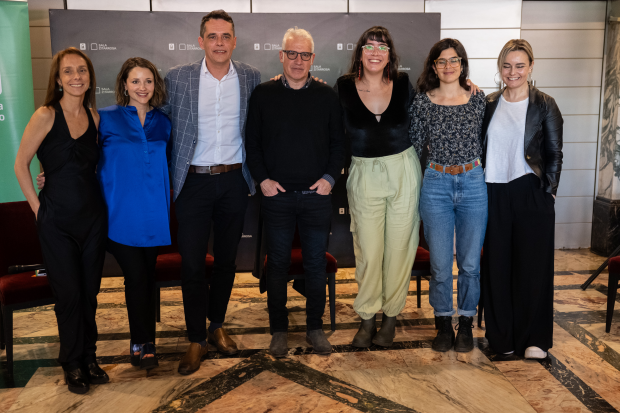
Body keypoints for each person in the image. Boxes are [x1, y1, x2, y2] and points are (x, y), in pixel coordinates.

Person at [161, 10, 261, 376]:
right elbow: (157, 126)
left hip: (235, 181)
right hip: (192, 183)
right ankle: (194, 338)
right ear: (201, 41)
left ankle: (216, 324)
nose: (219, 43)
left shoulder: (251, 77)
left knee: (227, 261)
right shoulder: (178, 78)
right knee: (191, 264)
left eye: (226, 36)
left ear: (234, 41)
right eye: (212, 36)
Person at [245, 27, 345, 358]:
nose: (298, 61)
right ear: (281, 55)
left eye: (304, 55)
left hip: (317, 197)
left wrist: (330, 178)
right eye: (292, 53)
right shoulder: (262, 94)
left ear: (313, 58)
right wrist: (262, 180)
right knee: (277, 265)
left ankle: (315, 328)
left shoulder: (327, 96)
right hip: (277, 196)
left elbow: (338, 144)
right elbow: (252, 144)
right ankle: (278, 331)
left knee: (315, 263)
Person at [14, 47, 109, 394]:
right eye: (68, 72)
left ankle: (89, 357)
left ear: (89, 77)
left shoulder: (95, 117)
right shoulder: (44, 115)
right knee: (68, 295)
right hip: (56, 221)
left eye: (81, 71)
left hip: (93, 218)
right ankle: (71, 362)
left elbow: (89, 168)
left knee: (90, 293)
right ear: (57, 79)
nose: (76, 77)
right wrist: (39, 209)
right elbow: (21, 163)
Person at [335, 26, 422, 348]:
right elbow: (329, 126)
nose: (375, 52)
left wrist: (467, 86)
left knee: (399, 249)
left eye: (382, 47)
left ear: (390, 55)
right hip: (363, 172)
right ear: (360, 52)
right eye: (369, 46)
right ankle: (367, 316)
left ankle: (390, 317)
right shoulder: (343, 87)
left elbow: (432, 105)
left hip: (403, 170)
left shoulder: (402, 84)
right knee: (369, 252)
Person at [481, 39, 562, 359]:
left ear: (530, 67)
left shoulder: (545, 104)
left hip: (532, 192)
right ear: (499, 68)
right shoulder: (488, 103)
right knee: (497, 266)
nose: (512, 72)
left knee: (533, 268)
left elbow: (555, 153)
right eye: (506, 65)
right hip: (493, 192)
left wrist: (549, 193)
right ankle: (502, 338)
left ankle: (535, 339)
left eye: (519, 65)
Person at [409, 38, 487, 353]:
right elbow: (414, 147)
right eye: (442, 61)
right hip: (437, 182)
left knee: (469, 264)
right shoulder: (422, 102)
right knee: (441, 264)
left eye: (454, 60)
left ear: (462, 64)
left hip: (472, 181)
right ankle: (443, 322)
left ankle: (465, 322)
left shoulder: (479, 100)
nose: (448, 66)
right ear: (433, 67)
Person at [97, 57, 172, 370]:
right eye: (135, 81)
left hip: (154, 213)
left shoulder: (164, 121)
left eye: (148, 81)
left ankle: (145, 342)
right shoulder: (104, 118)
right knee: (136, 277)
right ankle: (141, 341)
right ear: (124, 85)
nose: (142, 87)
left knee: (146, 277)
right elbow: (81, 156)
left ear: (155, 85)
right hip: (119, 214)